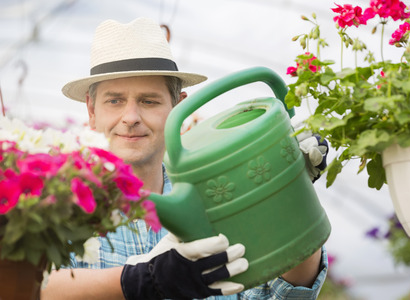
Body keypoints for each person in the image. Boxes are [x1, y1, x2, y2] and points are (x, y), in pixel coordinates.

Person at [42, 17, 329, 300]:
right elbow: (26, 288)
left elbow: (281, 293)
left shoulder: (216, 193)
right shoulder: (55, 201)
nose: (130, 118)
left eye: (148, 101)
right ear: (92, 111)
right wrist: (140, 280)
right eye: (114, 100)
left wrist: (292, 189)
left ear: (178, 108)